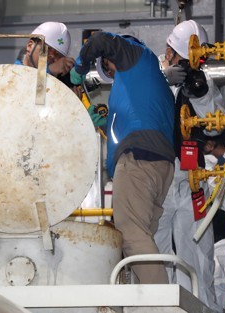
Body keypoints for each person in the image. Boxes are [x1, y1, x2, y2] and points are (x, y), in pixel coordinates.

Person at [70, 31, 175, 284]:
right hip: (159, 164)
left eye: (108, 64)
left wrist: (79, 68)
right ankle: (144, 304)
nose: (112, 72)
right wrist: (105, 122)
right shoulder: (149, 82)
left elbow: (99, 41)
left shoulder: (136, 55)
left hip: (138, 162)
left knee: (130, 234)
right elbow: (137, 122)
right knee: (141, 239)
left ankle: (161, 305)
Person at [153, 19, 224, 312]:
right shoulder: (152, 73)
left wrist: (202, 95)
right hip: (155, 179)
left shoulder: (202, 83)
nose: (188, 65)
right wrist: (164, 80)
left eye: (195, 60)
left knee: (197, 257)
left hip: (192, 179)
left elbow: (215, 128)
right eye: (184, 59)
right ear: (169, 51)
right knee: (153, 255)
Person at [203, 132, 225, 311]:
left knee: (216, 296)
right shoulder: (223, 165)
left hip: (218, 244)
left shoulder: (210, 165)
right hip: (214, 243)